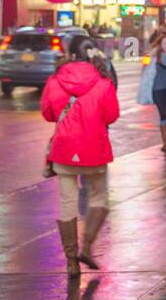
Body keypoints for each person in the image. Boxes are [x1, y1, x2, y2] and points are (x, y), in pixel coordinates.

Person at [40, 36, 120, 276]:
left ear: (71, 54)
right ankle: (87, 246)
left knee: (67, 203)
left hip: (64, 151)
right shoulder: (104, 82)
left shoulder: (55, 81)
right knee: (99, 197)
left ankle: (71, 261)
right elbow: (112, 115)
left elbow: (48, 113)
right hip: (94, 150)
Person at [140, 31, 166, 153]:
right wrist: (147, 57)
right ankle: (165, 143)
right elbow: (145, 65)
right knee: (163, 115)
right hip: (157, 90)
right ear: (160, 44)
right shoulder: (155, 54)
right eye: (164, 43)